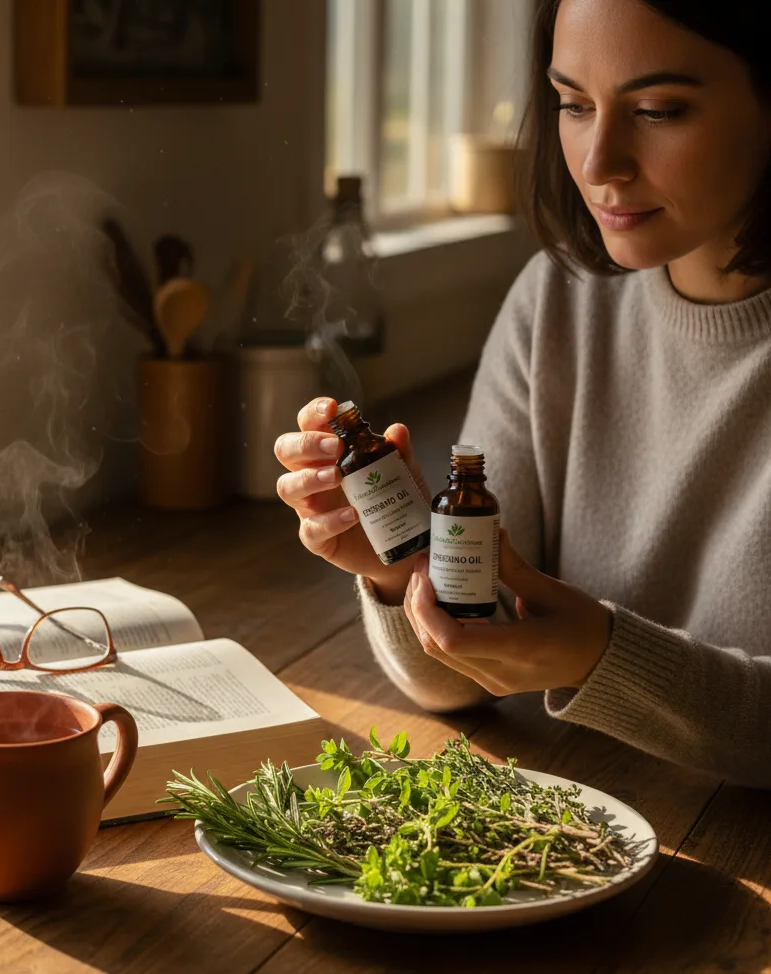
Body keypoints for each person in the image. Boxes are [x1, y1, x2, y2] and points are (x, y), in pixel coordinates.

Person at [274, 0, 771, 788]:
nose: (598, 160)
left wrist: (601, 656)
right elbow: (460, 681)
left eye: (657, 110)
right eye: (573, 103)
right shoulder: (558, 302)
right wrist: (405, 575)